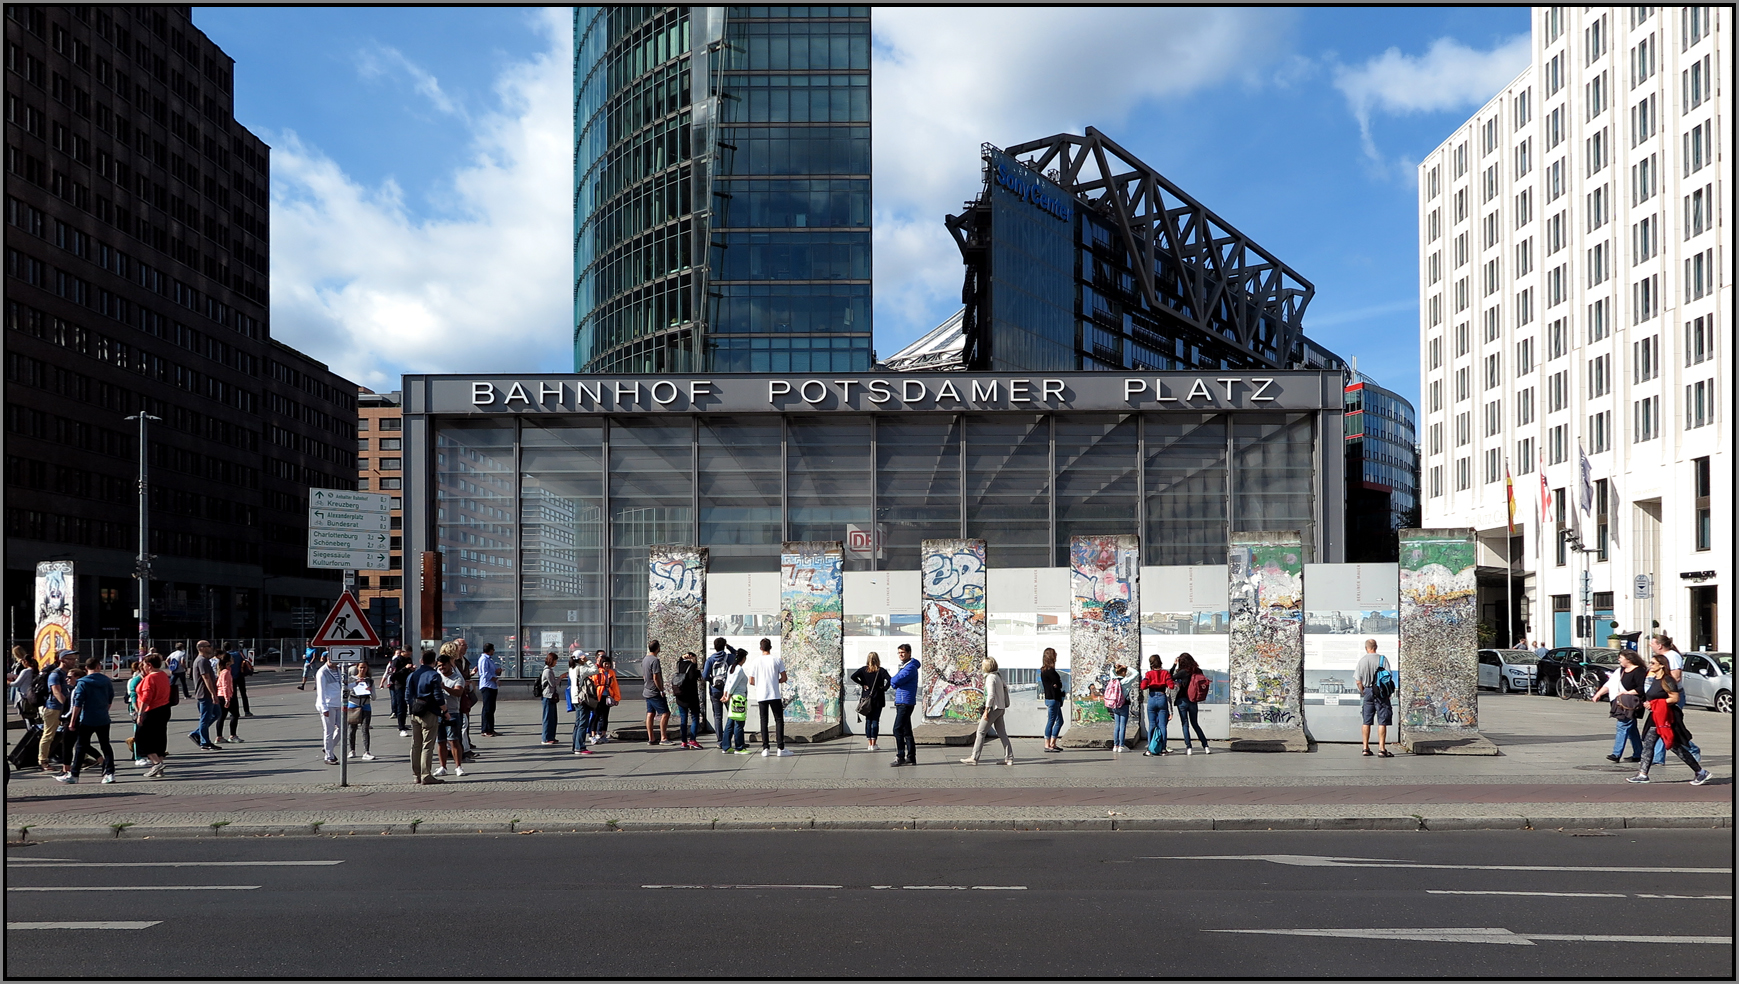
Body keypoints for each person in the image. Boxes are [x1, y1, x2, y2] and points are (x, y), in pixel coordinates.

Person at [1628, 651, 1711, 785]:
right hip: (1655, 716)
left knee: (1674, 746)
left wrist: (1655, 703)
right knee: (1649, 744)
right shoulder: (1654, 679)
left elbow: (1675, 698)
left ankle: (1700, 772)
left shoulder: (1667, 679)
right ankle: (1643, 774)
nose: (1650, 665)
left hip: (1667, 716)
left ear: (1661, 665)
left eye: (1653, 663)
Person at [56, 657, 117, 784]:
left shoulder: (82, 682)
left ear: (86, 668)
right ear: (98, 666)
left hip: (87, 718)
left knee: (81, 747)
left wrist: (72, 722)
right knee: (106, 745)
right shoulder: (106, 681)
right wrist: (104, 710)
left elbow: (77, 704)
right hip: (103, 718)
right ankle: (110, 773)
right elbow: (110, 699)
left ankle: (74, 775)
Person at [1646, 634, 1702, 766]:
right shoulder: (1662, 658)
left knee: (1668, 726)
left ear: (1659, 645)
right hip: (1659, 697)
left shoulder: (1672, 656)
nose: (1651, 646)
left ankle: (1692, 748)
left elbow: (1676, 678)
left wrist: (1663, 690)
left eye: (1652, 643)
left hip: (1670, 696)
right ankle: (1658, 758)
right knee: (1660, 726)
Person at [1592, 651, 1646, 763]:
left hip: (1630, 705)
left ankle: (1616, 754)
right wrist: (1598, 694)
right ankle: (1638, 753)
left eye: (1621, 657)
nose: (1619, 660)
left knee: (1622, 726)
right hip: (1619, 703)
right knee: (1631, 729)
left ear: (1629, 659)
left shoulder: (1639, 671)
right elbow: (1609, 684)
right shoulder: (1619, 671)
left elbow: (1642, 688)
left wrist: (1627, 693)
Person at [961, 657, 1014, 766]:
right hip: (1000, 708)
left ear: (987, 667)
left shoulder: (990, 678)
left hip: (993, 709)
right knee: (1002, 733)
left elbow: (990, 695)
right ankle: (1009, 758)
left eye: (983, 665)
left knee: (980, 732)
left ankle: (974, 757)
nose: (982, 667)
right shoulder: (998, 676)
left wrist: (986, 710)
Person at [746, 637, 791, 757]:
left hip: (761, 694)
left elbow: (751, 680)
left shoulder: (755, 662)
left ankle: (765, 748)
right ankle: (780, 748)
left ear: (761, 648)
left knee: (763, 721)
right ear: (770, 647)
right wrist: (776, 681)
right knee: (779, 720)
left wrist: (761, 683)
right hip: (774, 694)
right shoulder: (776, 660)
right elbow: (784, 677)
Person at [406, 650, 446, 785]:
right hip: (430, 712)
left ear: (421, 660)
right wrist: (445, 711)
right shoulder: (434, 675)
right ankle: (426, 775)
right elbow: (438, 696)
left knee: (415, 744)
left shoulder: (412, 675)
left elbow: (407, 695)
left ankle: (415, 775)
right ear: (434, 662)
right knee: (428, 745)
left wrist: (413, 706)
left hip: (415, 712)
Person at [1353, 638, 1393, 758]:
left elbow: (1358, 681)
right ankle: (1382, 749)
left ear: (1366, 648)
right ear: (1376, 647)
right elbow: (1388, 676)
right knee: (1382, 721)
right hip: (1381, 692)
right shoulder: (1382, 659)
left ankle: (1365, 748)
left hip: (1368, 691)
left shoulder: (1362, 661)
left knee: (1366, 720)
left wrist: (1363, 691)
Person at [134, 653, 172, 779]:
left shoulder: (150, 678)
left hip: (152, 710)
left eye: (144, 665)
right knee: (159, 737)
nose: (143, 667)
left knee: (142, 737)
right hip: (164, 708)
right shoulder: (163, 675)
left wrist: (140, 713)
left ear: (149, 665)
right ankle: (159, 766)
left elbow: (146, 697)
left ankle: (156, 763)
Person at [38, 649, 75, 771]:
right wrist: (67, 706)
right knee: (49, 735)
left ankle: (83, 758)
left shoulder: (68, 673)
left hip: (64, 709)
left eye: (74, 658)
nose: (74, 661)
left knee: (72, 734)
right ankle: (43, 760)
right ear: (62, 660)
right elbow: (56, 692)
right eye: (70, 659)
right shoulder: (55, 674)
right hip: (53, 708)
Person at [434, 653, 467, 777]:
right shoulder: (436, 675)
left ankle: (458, 766)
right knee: (441, 741)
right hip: (438, 713)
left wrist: (444, 687)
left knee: (453, 740)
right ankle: (443, 767)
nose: (441, 668)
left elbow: (458, 692)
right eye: (439, 666)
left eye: (443, 665)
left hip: (453, 712)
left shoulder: (457, 678)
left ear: (449, 664)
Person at [1170, 653, 1211, 754]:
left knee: (1185, 724)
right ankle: (1206, 746)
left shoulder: (1183, 672)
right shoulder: (1198, 671)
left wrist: (1174, 665)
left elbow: (1170, 677)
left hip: (1182, 701)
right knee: (1195, 724)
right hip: (1193, 701)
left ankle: (1189, 748)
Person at [887, 643, 920, 766]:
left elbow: (895, 681)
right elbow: (896, 682)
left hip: (905, 701)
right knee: (906, 730)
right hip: (902, 700)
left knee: (897, 729)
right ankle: (911, 757)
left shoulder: (910, 667)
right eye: (899, 652)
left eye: (903, 652)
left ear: (909, 653)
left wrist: (894, 682)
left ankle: (900, 756)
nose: (901, 655)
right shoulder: (905, 666)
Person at [850, 652, 890, 751]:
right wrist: (884, 688)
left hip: (866, 698)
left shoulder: (863, 670)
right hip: (878, 698)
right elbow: (890, 680)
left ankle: (869, 744)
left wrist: (862, 683)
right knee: (875, 720)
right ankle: (874, 743)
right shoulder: (881, 671)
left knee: (868, 720)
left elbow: (853, 676)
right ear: (878, 659)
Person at [312, 653, 343, 765]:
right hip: (328, 705)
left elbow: (342, 685)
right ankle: (329, 756)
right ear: (329, 658)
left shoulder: (339, 670)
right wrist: (324, 708)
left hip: (339, 703)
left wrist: (356, 683)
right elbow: (321, 692)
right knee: (329, 731)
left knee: (342, 728)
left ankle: (328, 747)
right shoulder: (322, 672)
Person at [1140, 656, 1173, 756]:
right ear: (1160, 662)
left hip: (1152, 698)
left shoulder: (1149, 674)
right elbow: (1171, 686)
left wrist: (1151, 684)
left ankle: (1150, 749)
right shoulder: (1165, 673)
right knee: (1163, 726)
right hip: (1162, 697)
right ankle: (1163, 749)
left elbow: (1143, 686)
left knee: (1152, 725)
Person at [703, 638, 731, 749]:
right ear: (724, 646)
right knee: (731, 714)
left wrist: (712, 682)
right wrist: (729, 647)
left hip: (714, 691)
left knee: (718, 717)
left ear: (714, 647)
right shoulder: (729, 657)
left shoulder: (710, 660)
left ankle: (720, 741)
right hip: (727, 690)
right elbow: (736, 654)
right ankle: (729, 739)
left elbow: (705, 676)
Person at [720, 651, 750, 754]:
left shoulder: (731, 668)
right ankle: (739, 747)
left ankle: (726, 746)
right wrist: (727, 696)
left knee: (730, 722)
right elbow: (733, 684)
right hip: (738, 699)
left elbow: (727, 683)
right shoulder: (739, 670)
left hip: (733, 698)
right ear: (743, 658)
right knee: (739, 723)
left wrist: (725, 694)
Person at [673, 650, 704, 749]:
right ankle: (693, 740)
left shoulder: (679, 664)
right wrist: (695, 664)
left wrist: (682, 657)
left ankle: (683, 742)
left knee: (683, 719)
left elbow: (680, 660)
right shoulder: (691, 667)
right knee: (695, 718)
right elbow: (693, 678)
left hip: (680, 696)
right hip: (691, 698)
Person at [641, 640, 670, 746]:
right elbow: (656, 677)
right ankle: (663, 737)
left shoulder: (645, 659)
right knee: (666, 713)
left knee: (650, 713)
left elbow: (644, 675)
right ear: (657, 648)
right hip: (654, 691)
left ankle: (651, 738)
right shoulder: (655, 660)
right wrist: (661, 689)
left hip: (647, 690)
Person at [347, 659, 376, 761]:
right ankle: (352, 750)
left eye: (364, 667)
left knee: (365, 729)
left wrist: (370, 691)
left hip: (366, 705)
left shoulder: (369, 680)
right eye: (361, 667)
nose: (362, 669)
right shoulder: (351, 679)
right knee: (352, 729)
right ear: (357, 668)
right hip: (353, 705)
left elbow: (374, 697)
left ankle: (366, 751)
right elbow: (346, 692)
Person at [589, 652, 619, 743]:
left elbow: (615, 686)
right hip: (598, 696)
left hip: (607, 696)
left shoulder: (611, 673)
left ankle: (603, 734)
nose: (607, 665)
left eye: (609, 664)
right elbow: (593, 682)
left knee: (605, 716)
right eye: (605, 664)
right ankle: (593, 734)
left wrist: (617, 698)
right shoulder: (597, 671)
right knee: (596, 715)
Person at [568, 654, 595, 756]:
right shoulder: (582, 668)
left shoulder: (572, 669)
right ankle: (580, 747)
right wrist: (588, 661)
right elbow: (595, 670)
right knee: (583, 723)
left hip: (575, 698)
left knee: (578, 723)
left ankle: (575, 745)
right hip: (582, 698)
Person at [1039, 648, 1064, 753]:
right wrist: (1058, 684)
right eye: (1055, 654)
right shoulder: (1050, 671)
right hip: (1053, 698)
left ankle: (1052, 743)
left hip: (1052, 698)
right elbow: (1057, 684)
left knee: (1059, 721)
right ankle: (1047, 744)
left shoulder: (1044, 670)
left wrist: (1057, 684)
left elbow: (1056, 684)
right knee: (1052, 721)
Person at [382, 650, 413, 737]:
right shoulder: (397, 661)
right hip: (399, 685)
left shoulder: (409, 659)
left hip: (408, 685)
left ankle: (408, 724)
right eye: (409, 653)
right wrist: (405, 668)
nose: (410, 655)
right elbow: (394, 675)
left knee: (410, 705)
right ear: (405, 652)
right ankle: (401, 726)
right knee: (401, 706)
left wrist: (411, 669)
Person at [215, 653, 242, 743]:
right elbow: (225, 686)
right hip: (227, 696)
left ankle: (219, 736)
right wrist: (227, 699)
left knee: (222, 716)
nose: (233, 659)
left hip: (221, 695)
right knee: (235, 715)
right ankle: (232, 735)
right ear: (228, 661)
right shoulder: (226, 672)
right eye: (231, 658)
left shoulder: (223, 671)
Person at [537, 651, 562, 746]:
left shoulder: (549, 670)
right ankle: (546, 738)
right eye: (555, 660)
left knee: (553, 718)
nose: (556, 663)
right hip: (547, 696)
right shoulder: (547, 671)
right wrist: (561, 677)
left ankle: (551, 736)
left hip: (551, 696)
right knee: (547, 717)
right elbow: (553, 683)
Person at [477, 643, 502, 736]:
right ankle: (485, 729)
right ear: (489, 650)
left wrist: (497, 671)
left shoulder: (490, 660)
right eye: (493, 649)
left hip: (492, 686)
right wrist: (495, 679)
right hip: (487, 686)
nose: (494, 651)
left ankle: (491, 728)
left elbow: (492, 671)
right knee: (487, 709)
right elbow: (485, 674)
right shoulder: (483, 660)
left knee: (492, 708)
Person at [232, 645, 254, 717]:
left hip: (231, 677)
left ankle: (235, 712)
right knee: (243, 694)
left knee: (233, 695)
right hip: (240, 676)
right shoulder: (238, 654)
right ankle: (247, 711)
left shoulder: (226, 656)